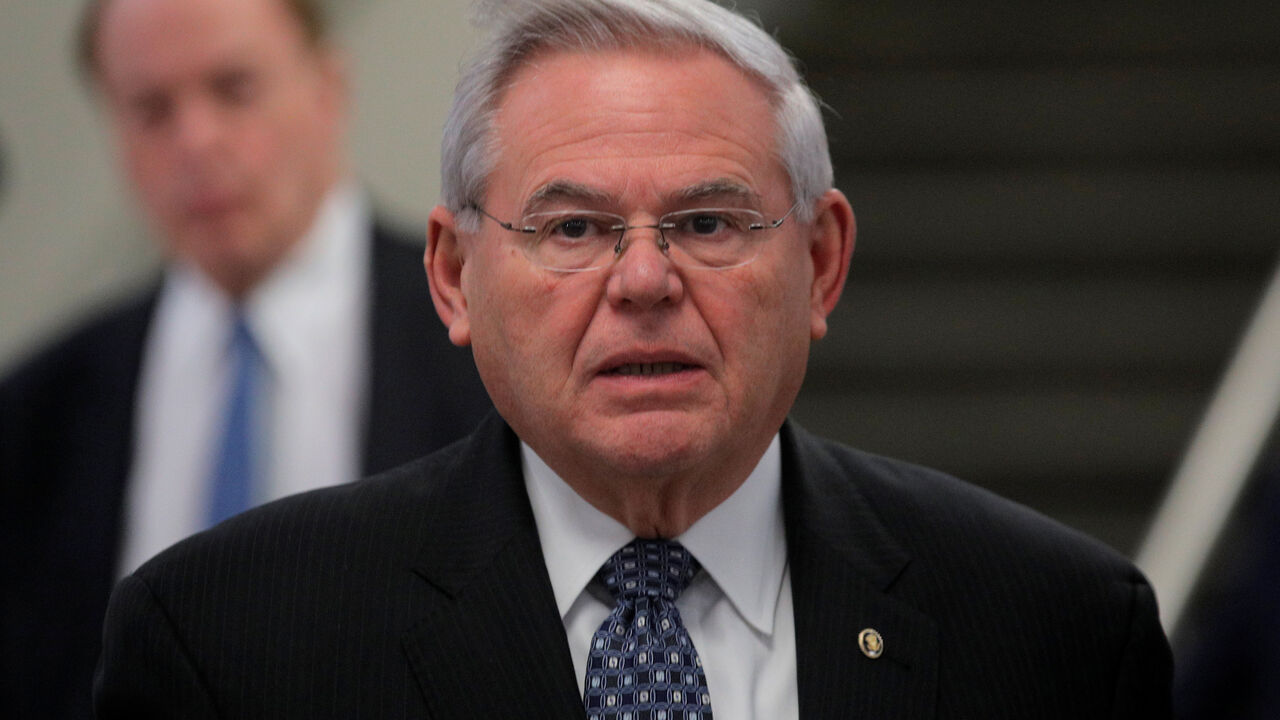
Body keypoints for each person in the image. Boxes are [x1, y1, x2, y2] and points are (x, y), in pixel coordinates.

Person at [92, 0, 1174, 717]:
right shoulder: (225, 646)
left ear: (821, 260)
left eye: (708, 223)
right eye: (570, 231)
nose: (644, 281)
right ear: (453, 277)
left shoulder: (1057, 632)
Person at [0, 0, 490, 717]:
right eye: (151, 109)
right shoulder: (37, 415)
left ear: (328, 88)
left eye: (234, 89)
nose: (195, 141)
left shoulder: (489, 356)